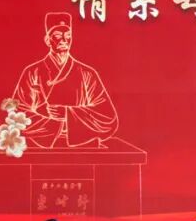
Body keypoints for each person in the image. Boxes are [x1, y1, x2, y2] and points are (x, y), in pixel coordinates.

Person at [9, 12, 119, 148]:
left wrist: (67, 113)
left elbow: (108, 117)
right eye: (57, 36)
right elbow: (17, 113)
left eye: (68, 36)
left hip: (80, 142)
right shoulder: (32, 72)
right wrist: (53, 122)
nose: (64, 41)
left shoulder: (87, 73)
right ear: (47, 40)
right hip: (41, 142)